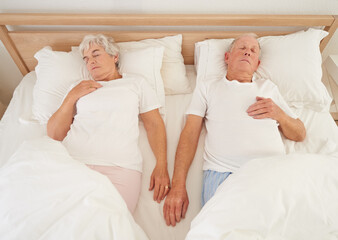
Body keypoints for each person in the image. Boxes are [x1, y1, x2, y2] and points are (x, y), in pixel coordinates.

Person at [163, 33, 306, 226]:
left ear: (257, 64)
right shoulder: (208, 87)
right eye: (242, 48)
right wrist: (178, 186)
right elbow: (190, 133)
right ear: (227, 57)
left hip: (270, 172)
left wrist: (279, 114)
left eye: (253, 50)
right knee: (222, 230)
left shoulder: (268, 88)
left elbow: (300, 134)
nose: (248, 51)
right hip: (224, 173)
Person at [47, 34, 170, 213]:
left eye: (96, 54)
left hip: (121, 169)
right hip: (74, 162)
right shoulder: (78, 87)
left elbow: (154, 125)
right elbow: (54, 134)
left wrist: (161, 165)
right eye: (86, 59)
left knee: (110, 223)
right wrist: (71, 97)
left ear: (114, 56)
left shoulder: (136, 83)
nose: (91, 62)